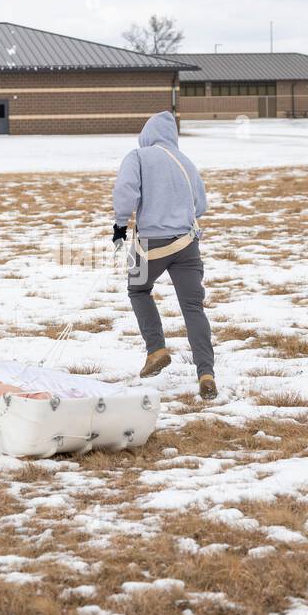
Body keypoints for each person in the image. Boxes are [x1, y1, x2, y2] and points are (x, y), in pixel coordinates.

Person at [112, 110, 216, 399]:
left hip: (150, 244)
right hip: (187, 245)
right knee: (193, 308)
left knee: (138, 289)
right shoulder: (186, 162)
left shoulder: (138, 156)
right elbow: (200, 206)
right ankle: (206, 372)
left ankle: (156, 349)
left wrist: (120, 224)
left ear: (147, 135)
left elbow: (126, 191)